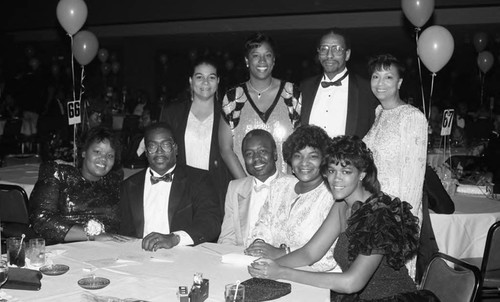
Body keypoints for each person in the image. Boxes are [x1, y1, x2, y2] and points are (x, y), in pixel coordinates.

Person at [248, 136, 438, 301]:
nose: (336, 179)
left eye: (346, 172)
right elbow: (310, 253)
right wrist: (267, 266)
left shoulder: (379, 215)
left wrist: (283, 272)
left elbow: (352, 283)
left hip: (392, 298)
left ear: (362, 174)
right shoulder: (341, 206)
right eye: (331, 171)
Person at [362, 54, 427, 279]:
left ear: (399, 83)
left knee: (393, 282)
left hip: (396, 216)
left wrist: (401, 226)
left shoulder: (412, 117)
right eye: (375, 76)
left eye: (388, 77)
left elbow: (414, 178)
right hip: (373, 209)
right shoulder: (379, 113)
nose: (380, 83)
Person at [245, 125, 336, 271]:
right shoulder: (279, 186)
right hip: (267, 269)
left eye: (313, 156)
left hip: (309, 277)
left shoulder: (332, 196)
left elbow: (329, 257)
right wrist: (259, 244)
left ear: (324, 160)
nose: (304, 162)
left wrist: (281, 253)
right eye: (298, 156)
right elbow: (262, 224)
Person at [119, 122, 222, 251]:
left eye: (166, 145)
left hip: (183, 257)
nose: (159, 152)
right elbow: (123, 231)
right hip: (139, 257)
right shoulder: (129, 186)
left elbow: (211, 223)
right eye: (152, 146)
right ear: (146, 152)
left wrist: (175, 238)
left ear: (176, 149)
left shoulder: (199, 180)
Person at [219, 32, 301, 179]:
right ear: (247, 60)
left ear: (274, 60)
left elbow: (297, 144)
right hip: (247, 187)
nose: (262, 61)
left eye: (268, 55)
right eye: (256, 55)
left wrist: (287, 184)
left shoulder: (291, 93)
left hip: (285, 187)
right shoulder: (233, 98)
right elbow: (226, 149)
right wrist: (246, 185)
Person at [30, 127, 125, 244]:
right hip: (63, 251)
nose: (104, 159)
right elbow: (41, 220)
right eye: (97, 152)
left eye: (110, 155)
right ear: (84, 152)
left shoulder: (115, 182)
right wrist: (92, 236)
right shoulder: (59, 174)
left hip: (108, 251)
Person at [160, 58, 232, 209]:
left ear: (218, 81)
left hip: (218, 191)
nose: (205, 82)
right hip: (182, 190)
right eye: (199, 77)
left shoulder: (228, 114)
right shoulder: (173, 113)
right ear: (191, 81)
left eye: (211, 77)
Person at [300, 28, 378, 138]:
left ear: (347, 54)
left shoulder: (366, 90)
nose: (329, 55)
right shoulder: (305, 87)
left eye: (336, 49)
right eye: (324, 49)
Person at [218, 129, 282, 246]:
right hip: (242, 258)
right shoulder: (235, 188)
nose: (256, 158)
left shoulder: (293, 186)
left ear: (275, 154)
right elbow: (227, 237)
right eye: (249, 154)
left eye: (262, 151)